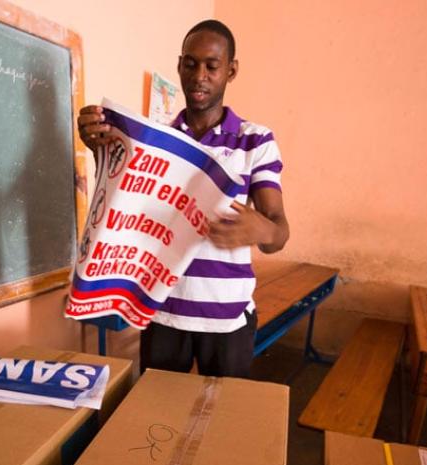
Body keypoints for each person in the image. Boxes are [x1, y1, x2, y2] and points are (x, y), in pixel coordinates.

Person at [77, 19, 289, 378]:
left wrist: (262, 230)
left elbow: (279, 234)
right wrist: (100, 148)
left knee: (221, 420)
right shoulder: (156, 140)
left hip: (227, 319)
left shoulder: (255, 141)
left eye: (212, 65)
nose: (199, 76)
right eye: (190, 64)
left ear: (231, 70)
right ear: (179, 65)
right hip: (161, 311)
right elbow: (121, 203)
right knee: (157, 421)